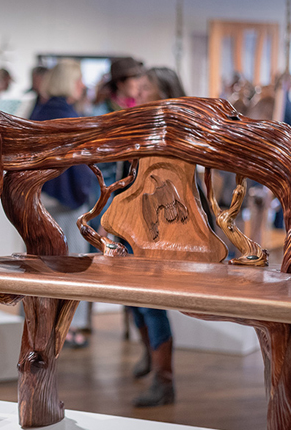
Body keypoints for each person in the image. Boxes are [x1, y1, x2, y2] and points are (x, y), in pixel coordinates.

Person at [29, 59, 94, 348]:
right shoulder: (68, 115)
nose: (83, 86)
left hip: (38, 200)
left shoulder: (39, 111)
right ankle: (68, 328)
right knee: (73, 265)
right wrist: (83, 193)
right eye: (79, 80)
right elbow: (78, 164)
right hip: (65, 205)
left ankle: (37, 323)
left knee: (38, 264)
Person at [126, 66, 180, 408]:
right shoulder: (138, 126)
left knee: (151, 303)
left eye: (146, 88)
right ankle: (151, 357)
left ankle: (164, 380)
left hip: (161, 229)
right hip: (133, 222)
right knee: (134, 299)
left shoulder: (173, 132)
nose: (139, 93)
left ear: (164, 93)